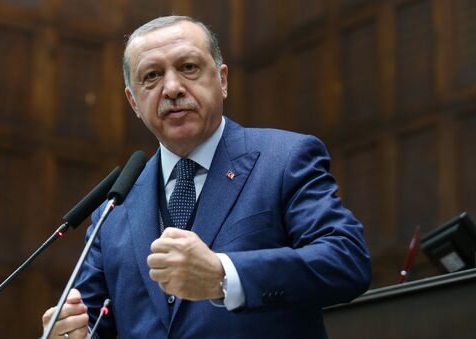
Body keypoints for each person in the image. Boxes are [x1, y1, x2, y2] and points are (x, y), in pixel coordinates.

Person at [42, 15, 371, 338]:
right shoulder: (113, 210)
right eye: (153, 75)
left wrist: (224, 276)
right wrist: (73, 334)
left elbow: (346, 259)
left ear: (222, 80)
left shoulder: (284, 159)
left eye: (188, 67)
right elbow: (94, 323)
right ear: (133, 102)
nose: (171, 88)